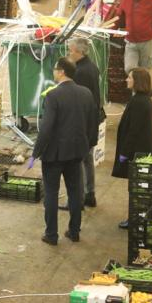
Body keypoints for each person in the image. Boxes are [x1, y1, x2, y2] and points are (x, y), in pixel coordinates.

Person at [32, 58, 98, 245]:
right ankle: (74, 231)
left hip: (54, 154)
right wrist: (87, 145)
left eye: (55, 70)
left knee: (51, 193)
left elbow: (46, 128)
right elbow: (92, 123)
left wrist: (36, 152)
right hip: (77, 152)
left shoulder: (53, 96)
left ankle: (51, 235)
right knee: (75, 192)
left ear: (61, 72)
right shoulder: (86, 93)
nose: (54, 73)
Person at [60, 37, 103, 211]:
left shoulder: (80, 72)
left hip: (82, 123)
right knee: (87, 159)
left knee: (76, 164)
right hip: (92, 120)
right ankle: (89, 194)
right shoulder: (91, 67)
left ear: (80, 52)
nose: (69, 53)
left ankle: (75, 201)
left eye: (71, 50)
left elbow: (76, 100)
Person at [112, 68, 152, 229]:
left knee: (136, 188)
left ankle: (134, 219)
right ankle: (136, 217)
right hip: (142, 151)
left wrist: (124, 153)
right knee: (137, 187)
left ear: (137, 81)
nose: (126, 80)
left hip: (137, 153)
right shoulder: (143, 99)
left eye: (129, 78)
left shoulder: (139, 102)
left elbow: (133, 131)